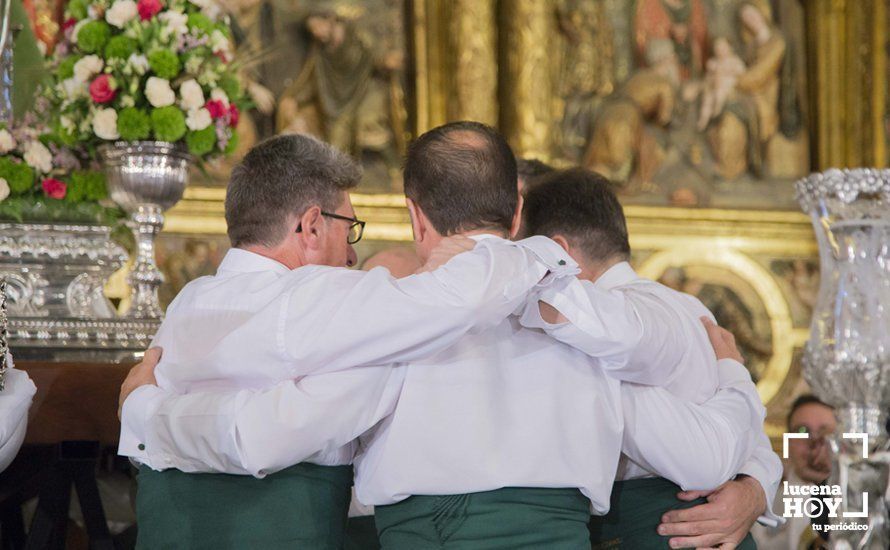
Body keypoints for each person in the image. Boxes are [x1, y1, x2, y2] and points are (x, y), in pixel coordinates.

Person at [118, 132, 577, 548]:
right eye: (348, 227)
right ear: (311, 226)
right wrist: (528, 254)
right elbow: (457, 302)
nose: (353, 253)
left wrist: (145, 411)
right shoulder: (321, 293)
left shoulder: (186, 303)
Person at [520, 168, 783, 548]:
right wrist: (736, 376)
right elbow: (748, 436)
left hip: (662, 530)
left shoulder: (587, 333)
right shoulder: (692, 309)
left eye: (521, 251)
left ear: (558, 252)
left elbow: (705, 459)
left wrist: (755, 488)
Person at [752, 395, 835, 550]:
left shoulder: (866, 501)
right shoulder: (762, 501)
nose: (814, 443)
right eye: (802, 431)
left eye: (826, 432)